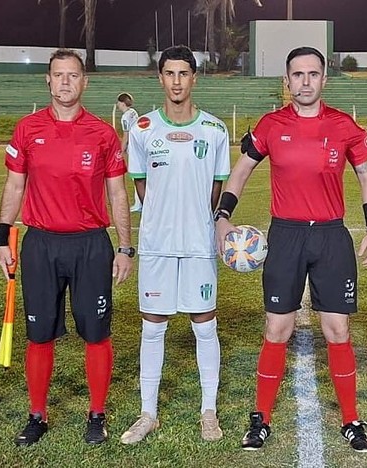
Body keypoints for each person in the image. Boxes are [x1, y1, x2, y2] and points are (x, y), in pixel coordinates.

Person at [214, 46, 367, 453]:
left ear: (324, 78)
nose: (305, 81)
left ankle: (351, 420)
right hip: (285, 237)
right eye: (297, 75)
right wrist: (222, 214)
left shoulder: (344, 126)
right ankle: (261, 419)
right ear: (286, 81)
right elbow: (241, 170)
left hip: (330, 237)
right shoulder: (271, 125)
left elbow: (365, 174)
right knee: (277, 328)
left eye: (313, 74)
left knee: (338, 330)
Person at [0, 48, 134, 447]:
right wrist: (4, 235)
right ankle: (37, 414)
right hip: (41, 244)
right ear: (48, 80)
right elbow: (14, 186)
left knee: (96, 333)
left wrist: (125, 247)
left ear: (84, 82)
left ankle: (96, 413)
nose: (66, 82)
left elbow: (118, 193)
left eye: (73, 75)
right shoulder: (27, 130)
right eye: (59, 75)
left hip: (91, 245)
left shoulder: (103, 134)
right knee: (38, 335)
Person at [119, 45, 231, 445]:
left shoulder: (215, 130)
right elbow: (141, 186)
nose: (177, 81)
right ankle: (148, 412)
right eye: (170, 73)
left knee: (205, 325)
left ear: (194, 78)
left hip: (199, 243)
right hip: (157, 245)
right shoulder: (143, 129)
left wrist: (195, 220)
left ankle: (209, 411)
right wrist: (164, 219)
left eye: (184, 73)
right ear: (160, 78)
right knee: (153, 327)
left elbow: (217, 189)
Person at [117, 92, 143, 211]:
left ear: (122, 103)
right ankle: (140, 202)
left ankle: (139, 204)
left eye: (118, 102)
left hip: (133, 147)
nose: (117, 105)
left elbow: (126, 135)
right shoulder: (133, 112)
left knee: (135, 174)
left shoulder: (125, 117)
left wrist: (121, 150)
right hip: (139, 144)